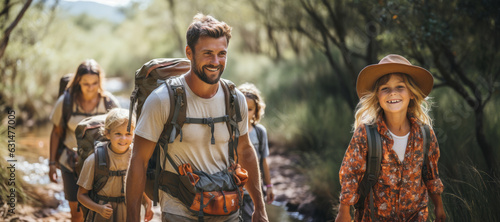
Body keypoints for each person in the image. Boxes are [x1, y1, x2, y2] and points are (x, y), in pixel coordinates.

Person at [126, 13, 269, 222]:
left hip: (227, 207)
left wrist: (260, 207)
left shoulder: (234, 99)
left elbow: (245, 151)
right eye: (207, 53)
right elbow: (139, 160)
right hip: (179, 210)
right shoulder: (163, 100)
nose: (215, 61)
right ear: (189, 53)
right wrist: (132, 218)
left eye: (222, 54)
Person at [335, 54, 446, 222]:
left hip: (416, 217)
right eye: (385, 88)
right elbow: (351, 174)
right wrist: (344, 211)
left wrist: (439, 207)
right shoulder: (366, 134)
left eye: (400, 87)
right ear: (377, 97)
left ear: (412, 94)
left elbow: (431, 175)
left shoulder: (424, 134)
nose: (393, 92)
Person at [49, 59, 120, 222]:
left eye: (94, 83)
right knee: (76, 214)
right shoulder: (66, 102)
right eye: (86, 83)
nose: (90, 88)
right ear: (78, 81)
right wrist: (52, 164)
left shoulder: (108, 102)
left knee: (101, 210)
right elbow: (56, 132)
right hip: (70, 163)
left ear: (100, 81)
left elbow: (121, 130)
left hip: (102, 165)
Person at [77, 108, 153, 222]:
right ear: (107, 134)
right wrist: (98, 208)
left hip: (131, 213)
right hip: (103, 216)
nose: (123, 139)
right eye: (118, 133)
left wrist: (149, 204)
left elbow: (141, 183)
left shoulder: (136, 157)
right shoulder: (94, 160)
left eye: (128, 134)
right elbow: (81, 195)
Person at [237, 83, 274, 221]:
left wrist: (268, 186)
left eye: (250, 109)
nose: (246, 113)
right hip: (232, 191)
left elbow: (263, 161)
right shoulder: (229, 131)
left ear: (256, 110)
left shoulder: (259, 132)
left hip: (252, 193)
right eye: (242, 108)